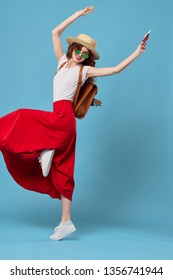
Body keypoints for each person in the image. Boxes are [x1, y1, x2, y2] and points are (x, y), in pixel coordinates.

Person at [0, 6, 147, 241]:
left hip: (63, 119)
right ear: (73, 48)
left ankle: (43, 151)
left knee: (22, 116)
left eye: (84, 52)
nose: (80, 53)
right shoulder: (61, 63)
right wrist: (77, 15)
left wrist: (137, 52)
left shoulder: (85, 72)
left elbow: (116, 70)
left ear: (88, 57)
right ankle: (66, 222)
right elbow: (54, 32)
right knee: (63, 171)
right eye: (78, 48)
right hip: (57, 116)